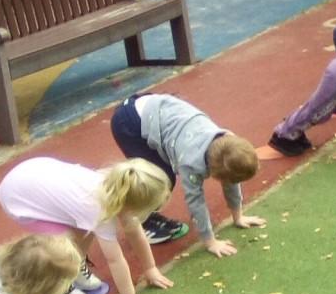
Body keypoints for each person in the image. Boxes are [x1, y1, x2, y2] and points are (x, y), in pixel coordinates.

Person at [0, 157, 174, 294]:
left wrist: (150, 268)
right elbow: (115, 259)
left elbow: (135, 231)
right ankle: (60, 285)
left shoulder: (115, 185)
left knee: (85, 228)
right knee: (60, 247)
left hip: (32, 177)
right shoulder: (98, 210)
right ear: (131, 206)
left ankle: (75, 267)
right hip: (21, 200)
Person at [111, 93, 266, 258]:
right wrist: (210, 241)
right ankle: (142, 222)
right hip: (129, 122)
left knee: (161, 175)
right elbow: (195, 201)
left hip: (155, 108)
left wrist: (238, 216)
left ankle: (146, 212)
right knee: (158, 181)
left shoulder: (227, 143)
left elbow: (231, 179)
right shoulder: (191, 163)